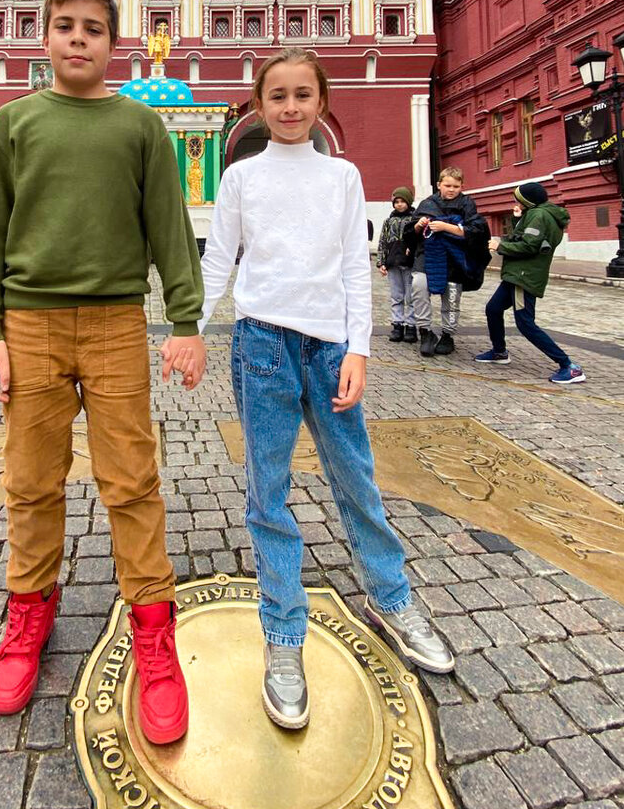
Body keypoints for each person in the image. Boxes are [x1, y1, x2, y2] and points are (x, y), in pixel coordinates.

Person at [0, 0, 206, 742]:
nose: (78, 38)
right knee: (31, 482)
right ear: (46, 37)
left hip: (113, 326)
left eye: (92, 28)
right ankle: (29, 613)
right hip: (29, 325)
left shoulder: (140, 127)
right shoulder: (13, 123)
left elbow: (169, 227)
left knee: (132, 481)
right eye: (65, 25)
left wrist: (186, 320)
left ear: (115, 41)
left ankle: (154, 631)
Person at [197, 48, 453, 732]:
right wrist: (189, 329)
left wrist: (359, 349)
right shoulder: (241, 176)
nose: (289, 107)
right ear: (258, 103)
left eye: (302, 94)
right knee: (268, 493)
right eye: (277, 95)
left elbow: (351, 265)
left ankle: (390, 600)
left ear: (320, 102)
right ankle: (284, 635)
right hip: (261, 346)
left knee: (356, 479)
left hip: (330, 349)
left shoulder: (342, 175)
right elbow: (219, 258)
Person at [476, 181, 585, 385]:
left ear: (528, 201)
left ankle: (569, 366)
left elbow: (529, 246)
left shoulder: (538, 215)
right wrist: (519, 220)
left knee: (525, 323)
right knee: (493, 309)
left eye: (519, 199)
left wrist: (500, 246)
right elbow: (527, 237)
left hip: (524, 276)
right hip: (516, 274)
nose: (516, 202)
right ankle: (499, 352)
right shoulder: (536, 213)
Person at [404, 167, 487, 358]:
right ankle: (425, 331)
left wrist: (446, 227)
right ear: (439, 184)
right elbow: (409, 233)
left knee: (451, 296)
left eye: (456, 186)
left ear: (462, 186)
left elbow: (476, 230)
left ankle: (448, 335)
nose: (451, 190)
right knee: (419, 286)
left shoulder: (467, 204)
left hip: (454, 257)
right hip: (427, 254)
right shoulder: (427, 203)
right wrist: (418, 225)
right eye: (447, 185)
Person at [376, 186, 416, 342]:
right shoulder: (388, 221)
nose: (399, 204)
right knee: (396, 296)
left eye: (402, 201)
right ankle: (397, 325)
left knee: (411, 296)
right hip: (393, 263)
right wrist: (381, 262)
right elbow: (382, 242)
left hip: (409, 263)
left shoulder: (414, 219)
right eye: (396, 202)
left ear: (409, 202)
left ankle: (411, 326)